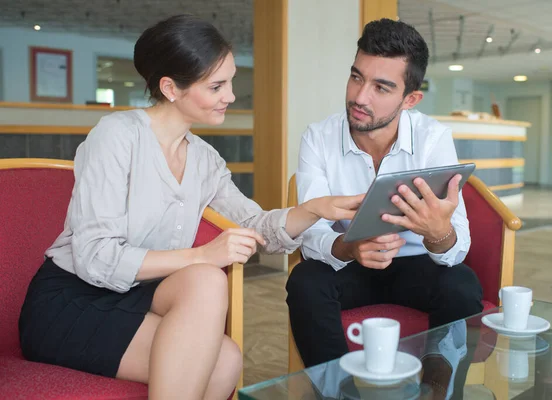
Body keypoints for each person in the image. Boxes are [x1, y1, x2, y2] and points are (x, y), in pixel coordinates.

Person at [18, 15, 363, 400]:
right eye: (216, 86)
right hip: (72, 301)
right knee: (215, 323)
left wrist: (316, 208)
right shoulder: (116, 136)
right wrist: (201, 254)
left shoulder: (204, 159)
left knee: (222, 335)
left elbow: (256, 225)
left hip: (137, 296)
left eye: (230, 82)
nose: (230, 96)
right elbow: (95, 256)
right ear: (170, 88)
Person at [286, 18, 484, 369]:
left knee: (462, 284)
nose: (359, 97)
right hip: (347, 264)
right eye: (356, 77)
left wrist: (438, 233)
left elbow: (456, 247)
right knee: (305, 280)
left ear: (410, 99)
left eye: (381, 87)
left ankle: (439, 393)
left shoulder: (433, 138)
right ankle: (337, 393)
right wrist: (349, 246)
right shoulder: (318, 137)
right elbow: (311, 234)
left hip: (416, 265)